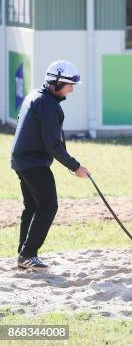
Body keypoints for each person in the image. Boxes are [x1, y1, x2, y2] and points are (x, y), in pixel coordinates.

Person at [11, 60, 90, 271]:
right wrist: (76, 167)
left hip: (21, 160)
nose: (71, 90)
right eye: (68, 85)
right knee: (48, 205)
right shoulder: (49, 105)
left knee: (33, 206)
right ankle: (28, 254)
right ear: (55, 83)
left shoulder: (34, 96)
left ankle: (24, 253)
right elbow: (53, 144)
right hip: (34, 163)